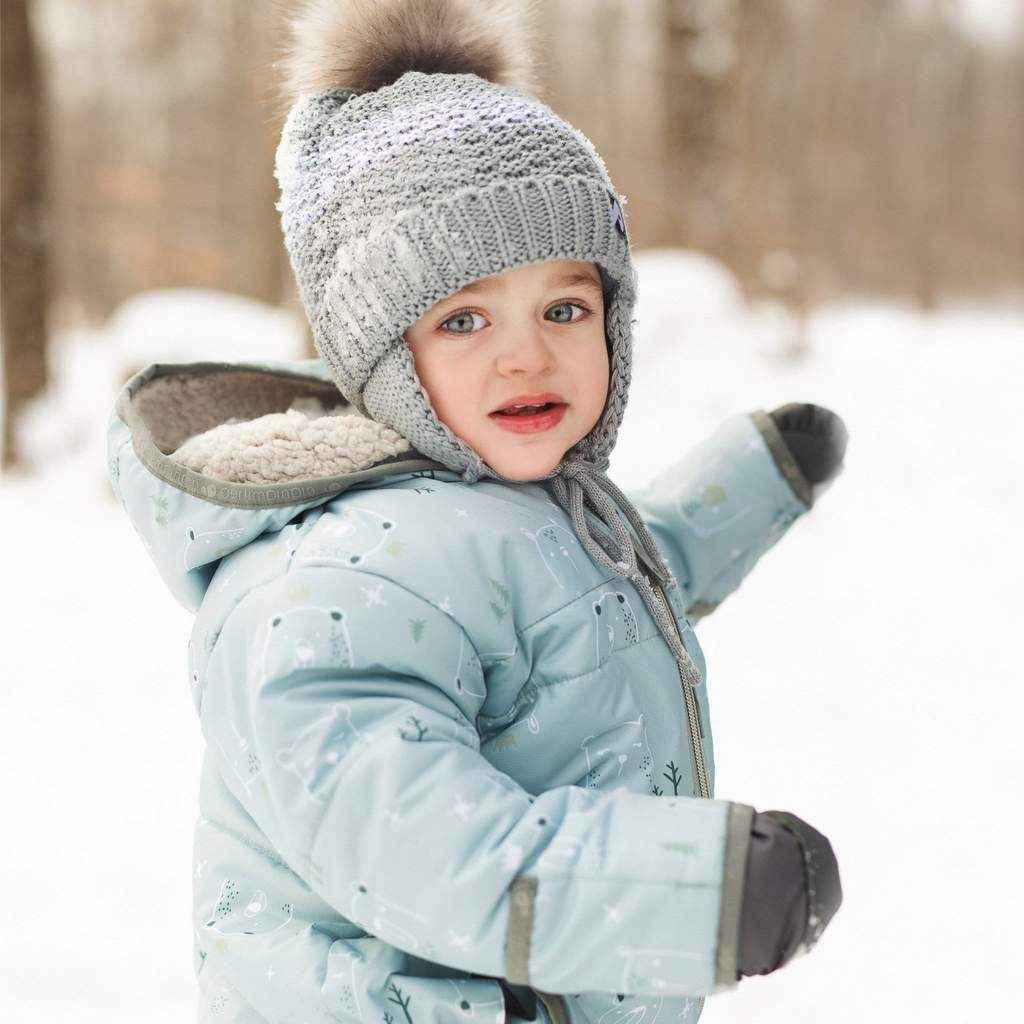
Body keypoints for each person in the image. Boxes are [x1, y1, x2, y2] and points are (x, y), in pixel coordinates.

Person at [107, 1, 845, 1021]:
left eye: (564, 308)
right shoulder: (340, 581)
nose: (526, 355)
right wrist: (701, 898)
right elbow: (428, 851)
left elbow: (584, 600)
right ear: (378, 353)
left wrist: (750, 482)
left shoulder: (502, 498)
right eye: (463, 319)